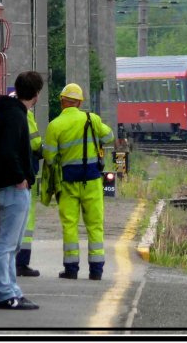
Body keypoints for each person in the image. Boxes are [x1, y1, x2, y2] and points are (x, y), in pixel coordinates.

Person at [43, 83, 115, 281]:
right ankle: (96, 271)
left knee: (70, 225)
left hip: (67, 182)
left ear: (62, 102)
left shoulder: (55, 125)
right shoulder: (92, 119)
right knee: (95, 225)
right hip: (92, 181)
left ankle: (71, 269)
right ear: (80, 103)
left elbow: (49, 157)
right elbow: (109, 136)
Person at [0, 71, 44, 310]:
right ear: (36, 94)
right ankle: (5, 294)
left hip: (14, 187)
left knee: (12, 245)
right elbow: (7, 151)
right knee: (6, 244)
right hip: (13, 187)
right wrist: (20, 177)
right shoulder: (15, 116)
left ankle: (12, 291)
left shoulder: (13, 113)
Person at [15, 108, 42, 277]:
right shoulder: (26, 114)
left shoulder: (0, 114)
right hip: (25, 174)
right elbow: (35, 143)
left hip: (9, 175)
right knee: (26, 220)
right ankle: (21, 263)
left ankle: (9, 263)